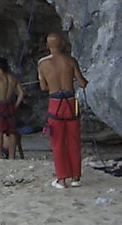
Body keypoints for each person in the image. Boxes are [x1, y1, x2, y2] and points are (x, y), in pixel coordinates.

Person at [37, 32, 88, 189]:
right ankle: (76, 177)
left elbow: (44, 87)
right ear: (62, 43)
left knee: (58, 142)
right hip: (71, 103)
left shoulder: (42, 64)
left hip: (55, 103)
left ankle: (61, 179)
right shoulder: (70, 61)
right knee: (74, 140)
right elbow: (83, 83)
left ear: (47, 45)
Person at [0, 57, 24, 160]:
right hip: (10, 104)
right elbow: (21, 93)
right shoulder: (13, 78)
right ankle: (12, 156)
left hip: (0, 105)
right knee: (12, 131)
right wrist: (16, 105)